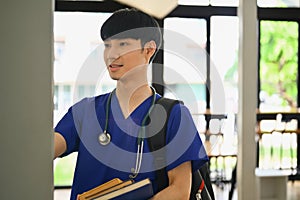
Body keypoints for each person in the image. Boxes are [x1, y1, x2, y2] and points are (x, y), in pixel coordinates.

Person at [54, 8, 208, 200]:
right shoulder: (85, 111)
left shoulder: (174, 115)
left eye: (123, 44)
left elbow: (180, 190)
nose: (111, 54)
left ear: (149, 49)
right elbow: (41, 151)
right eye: (107, 45)